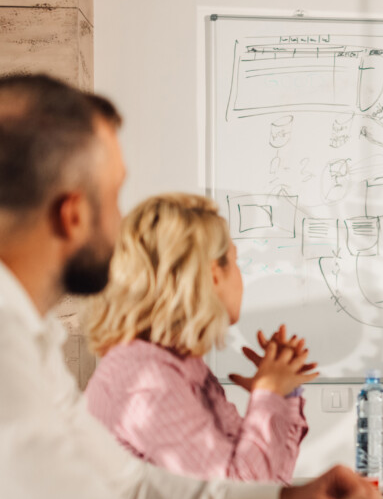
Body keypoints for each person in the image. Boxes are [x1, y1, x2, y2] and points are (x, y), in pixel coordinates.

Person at [0, 73, 383, 499]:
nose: (123, 225)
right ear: (73, 214)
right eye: (115, 194)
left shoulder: (28, 340)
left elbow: (131, 486)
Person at [83, 192, 314, 483]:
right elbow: (237, 494)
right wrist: (268, 393)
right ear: (213, 274)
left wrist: (283, 394)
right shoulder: (145, 378)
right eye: (235, 260)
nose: (241, 278)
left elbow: (270, 485)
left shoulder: (181, 366)